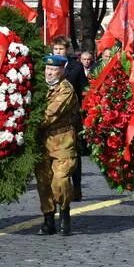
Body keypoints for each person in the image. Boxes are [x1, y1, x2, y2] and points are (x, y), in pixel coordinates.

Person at [36, 54, 79, 236]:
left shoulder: (66, 89)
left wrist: (28, 124)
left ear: (62, 70)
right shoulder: (39, 87)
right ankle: (48, 219)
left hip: (62, 139)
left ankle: (64, 211)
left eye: (54, 69)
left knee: (60, 178)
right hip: (41, 141)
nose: (50, 72)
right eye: (48, 69)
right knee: (43, 181)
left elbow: (51, 113)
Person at [51, 36, 87, 202]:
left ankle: (77, 185)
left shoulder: (76, 67)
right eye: (56, 49)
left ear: (67, 50)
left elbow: (84, 90)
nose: (58, 52)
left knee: (73, 152)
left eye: (61, 49)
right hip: (53, 116)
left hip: (72, 116)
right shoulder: (48, 66)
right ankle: (56, 186)